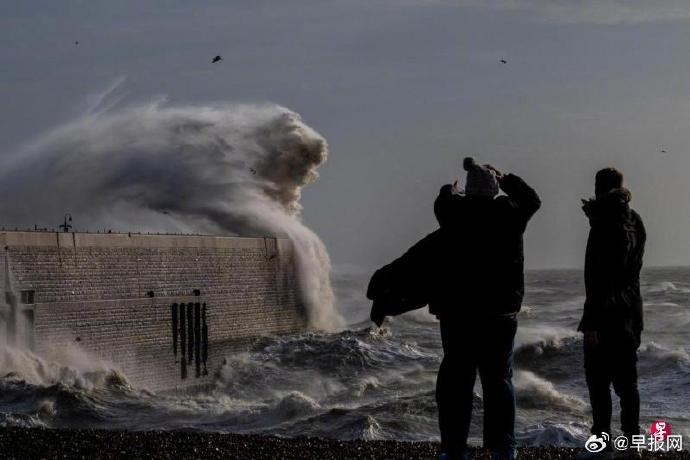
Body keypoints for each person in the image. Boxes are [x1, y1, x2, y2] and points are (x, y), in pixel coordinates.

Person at [432, 157, 541, 460]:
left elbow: (442, 202)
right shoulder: (510, 214)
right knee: (498, 383)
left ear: (467, 192)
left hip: (458, 315)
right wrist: (505, 178)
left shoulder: (453, 213)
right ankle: (503, 448)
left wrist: (449, 190)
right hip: (499, 315)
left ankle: (453, 450)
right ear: (494, 190)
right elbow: (533, 199)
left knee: (457, 384)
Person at [577, 167, 646, 457]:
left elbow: (598, 278)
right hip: (630, 313)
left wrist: (591, 324)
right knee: (627, 384)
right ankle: (632, 445)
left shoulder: (604, 224)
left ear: (598, 189)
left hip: (605, 316)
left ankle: (602, 444)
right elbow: (631, 272)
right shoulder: (634, 220)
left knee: (598, 382)